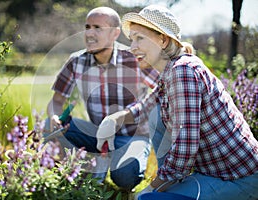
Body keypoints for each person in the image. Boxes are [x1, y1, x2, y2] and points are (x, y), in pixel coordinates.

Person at [96, 5, 258, 200]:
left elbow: (186, 147)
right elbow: (145, 106)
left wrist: (151, 188)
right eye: (132, 40)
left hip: (237, 178)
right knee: (155, 111)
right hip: (212, 171)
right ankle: (172, 180)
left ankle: (168, 181)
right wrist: (113, 120)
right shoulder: (171, 71)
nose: (132, 48)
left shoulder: (183, 72)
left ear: (163, 40)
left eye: (140, 38)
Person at [45, 6, 160, 191]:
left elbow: (164, 89)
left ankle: (120, 162)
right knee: (46, 127)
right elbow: (57, 102)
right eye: (87, 27)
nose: (89, 33)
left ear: (115, 33)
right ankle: (89, 164)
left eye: (97, 28)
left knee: (125, 177)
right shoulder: (76, 61)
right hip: (95, 132)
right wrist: (54, 117)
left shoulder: (135, 59)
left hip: (132, 136)